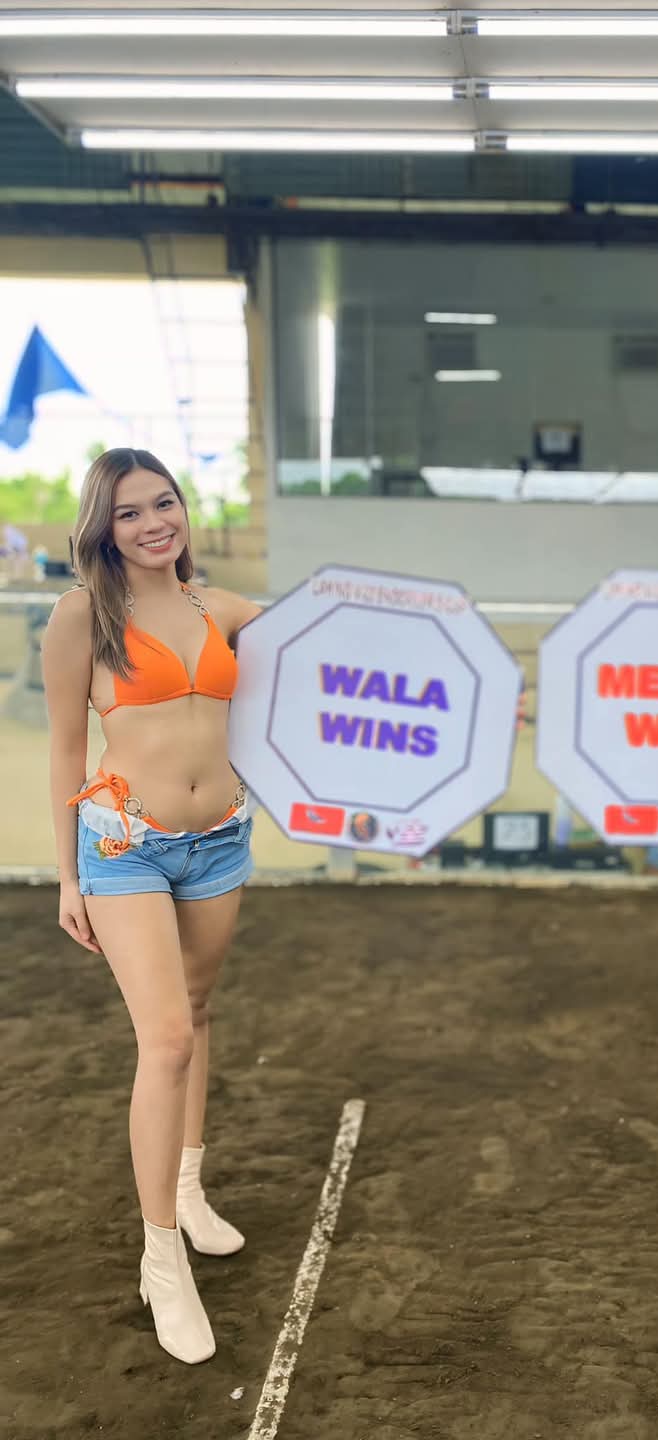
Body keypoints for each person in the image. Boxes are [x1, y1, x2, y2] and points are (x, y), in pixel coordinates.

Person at [42, 448, 262, 1365]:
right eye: (128, 512)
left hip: (221, 840)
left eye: (163, 503)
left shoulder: (222, 609)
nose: (151, 523)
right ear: (103, 527)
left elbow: (332, 648)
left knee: (198, 1014)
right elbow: (65, 749)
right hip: (124, 845)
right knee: (166, 1038)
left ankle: (189, 1190)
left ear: (183, 509)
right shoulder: (80, 616)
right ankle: (160, 1260)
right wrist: (67, 877)